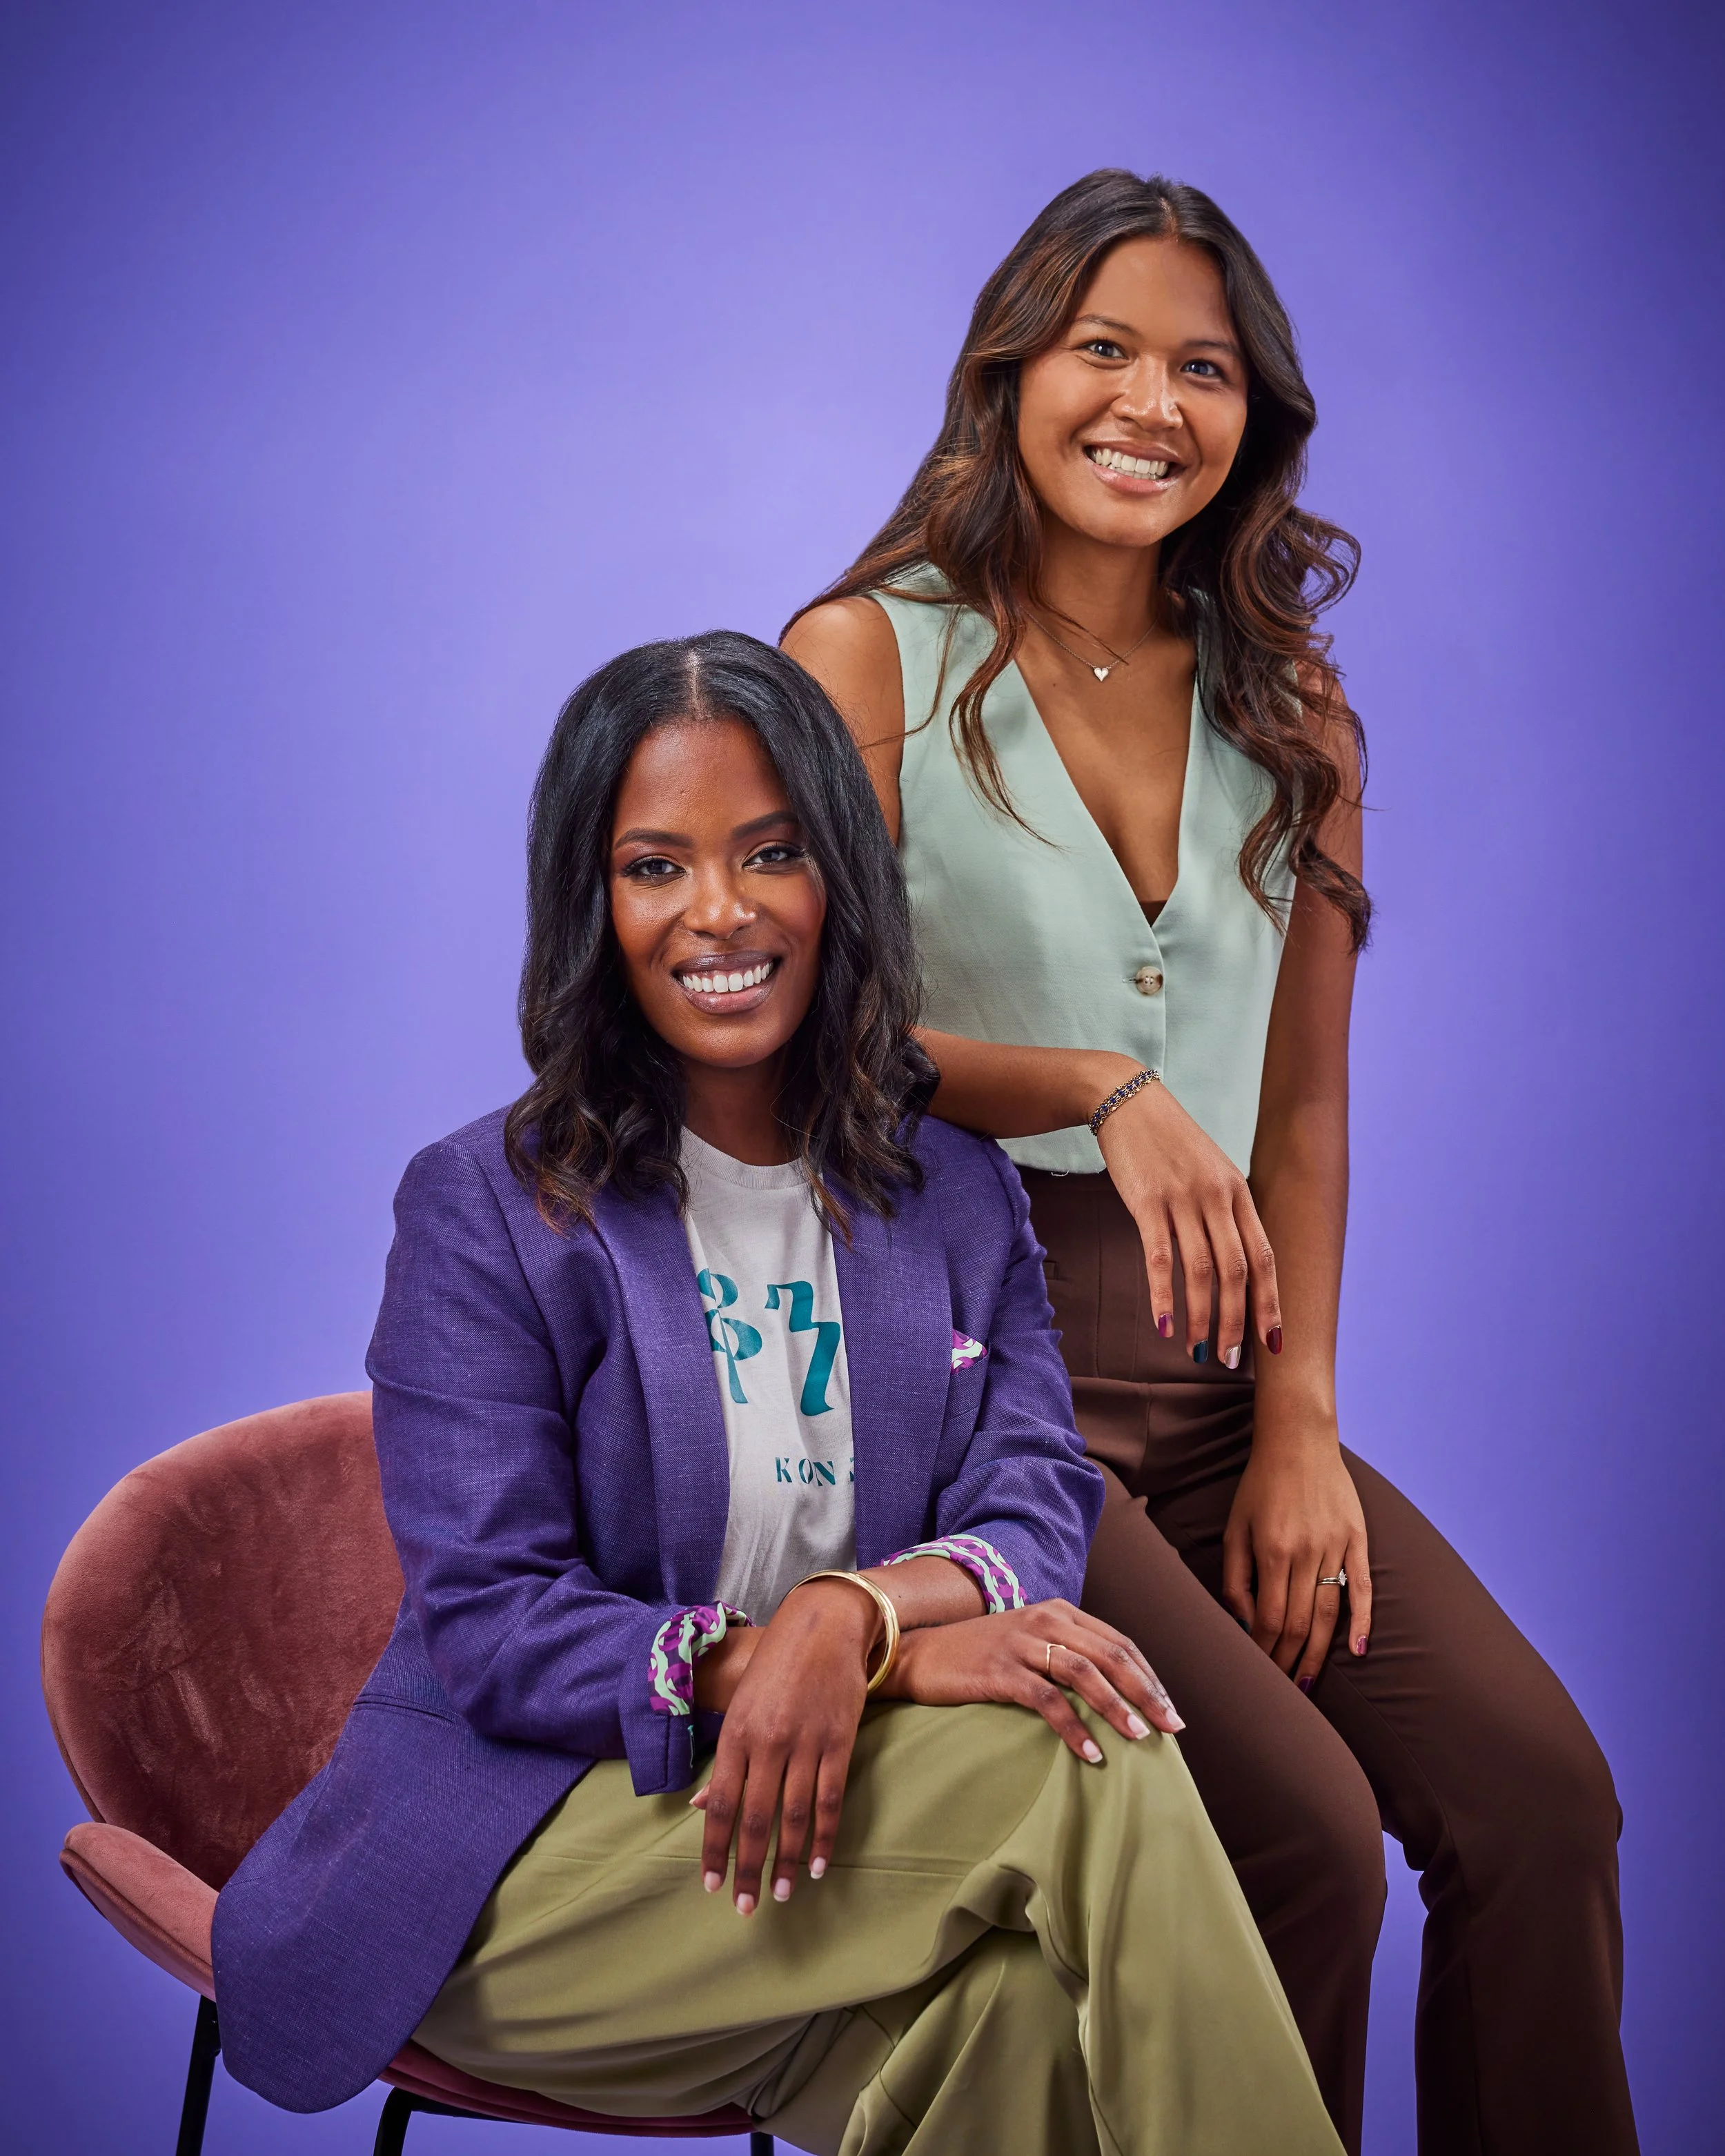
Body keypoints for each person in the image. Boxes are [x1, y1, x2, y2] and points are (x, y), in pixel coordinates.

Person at [210, 631, 1344, 2156]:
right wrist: (765, 1659)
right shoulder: (488, 1205)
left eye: (769, 853)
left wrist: (854, 1620)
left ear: (838, 881)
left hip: (815, 1847)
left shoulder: (950, 1191)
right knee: (1085, 1749)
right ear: (591, 907)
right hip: (522, 1866)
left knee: (1012, 2015)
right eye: (652, 866)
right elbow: (492, 1623)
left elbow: (1031, 1506)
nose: (718, 911)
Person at [784, 170, 1636, 2156]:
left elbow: (1307, 1109)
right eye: (1103, 349)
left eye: (1203, 367)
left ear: (1254, 417)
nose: (1150, 402)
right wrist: (1093, 1084)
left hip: (1230, 1383)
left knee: (1536, 1798)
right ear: (1008, 372)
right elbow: (795, 1034)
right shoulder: (862, 658)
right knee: (1303, 1837)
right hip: (982, 1403)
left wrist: (1299, 1424)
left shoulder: (1291, 706)